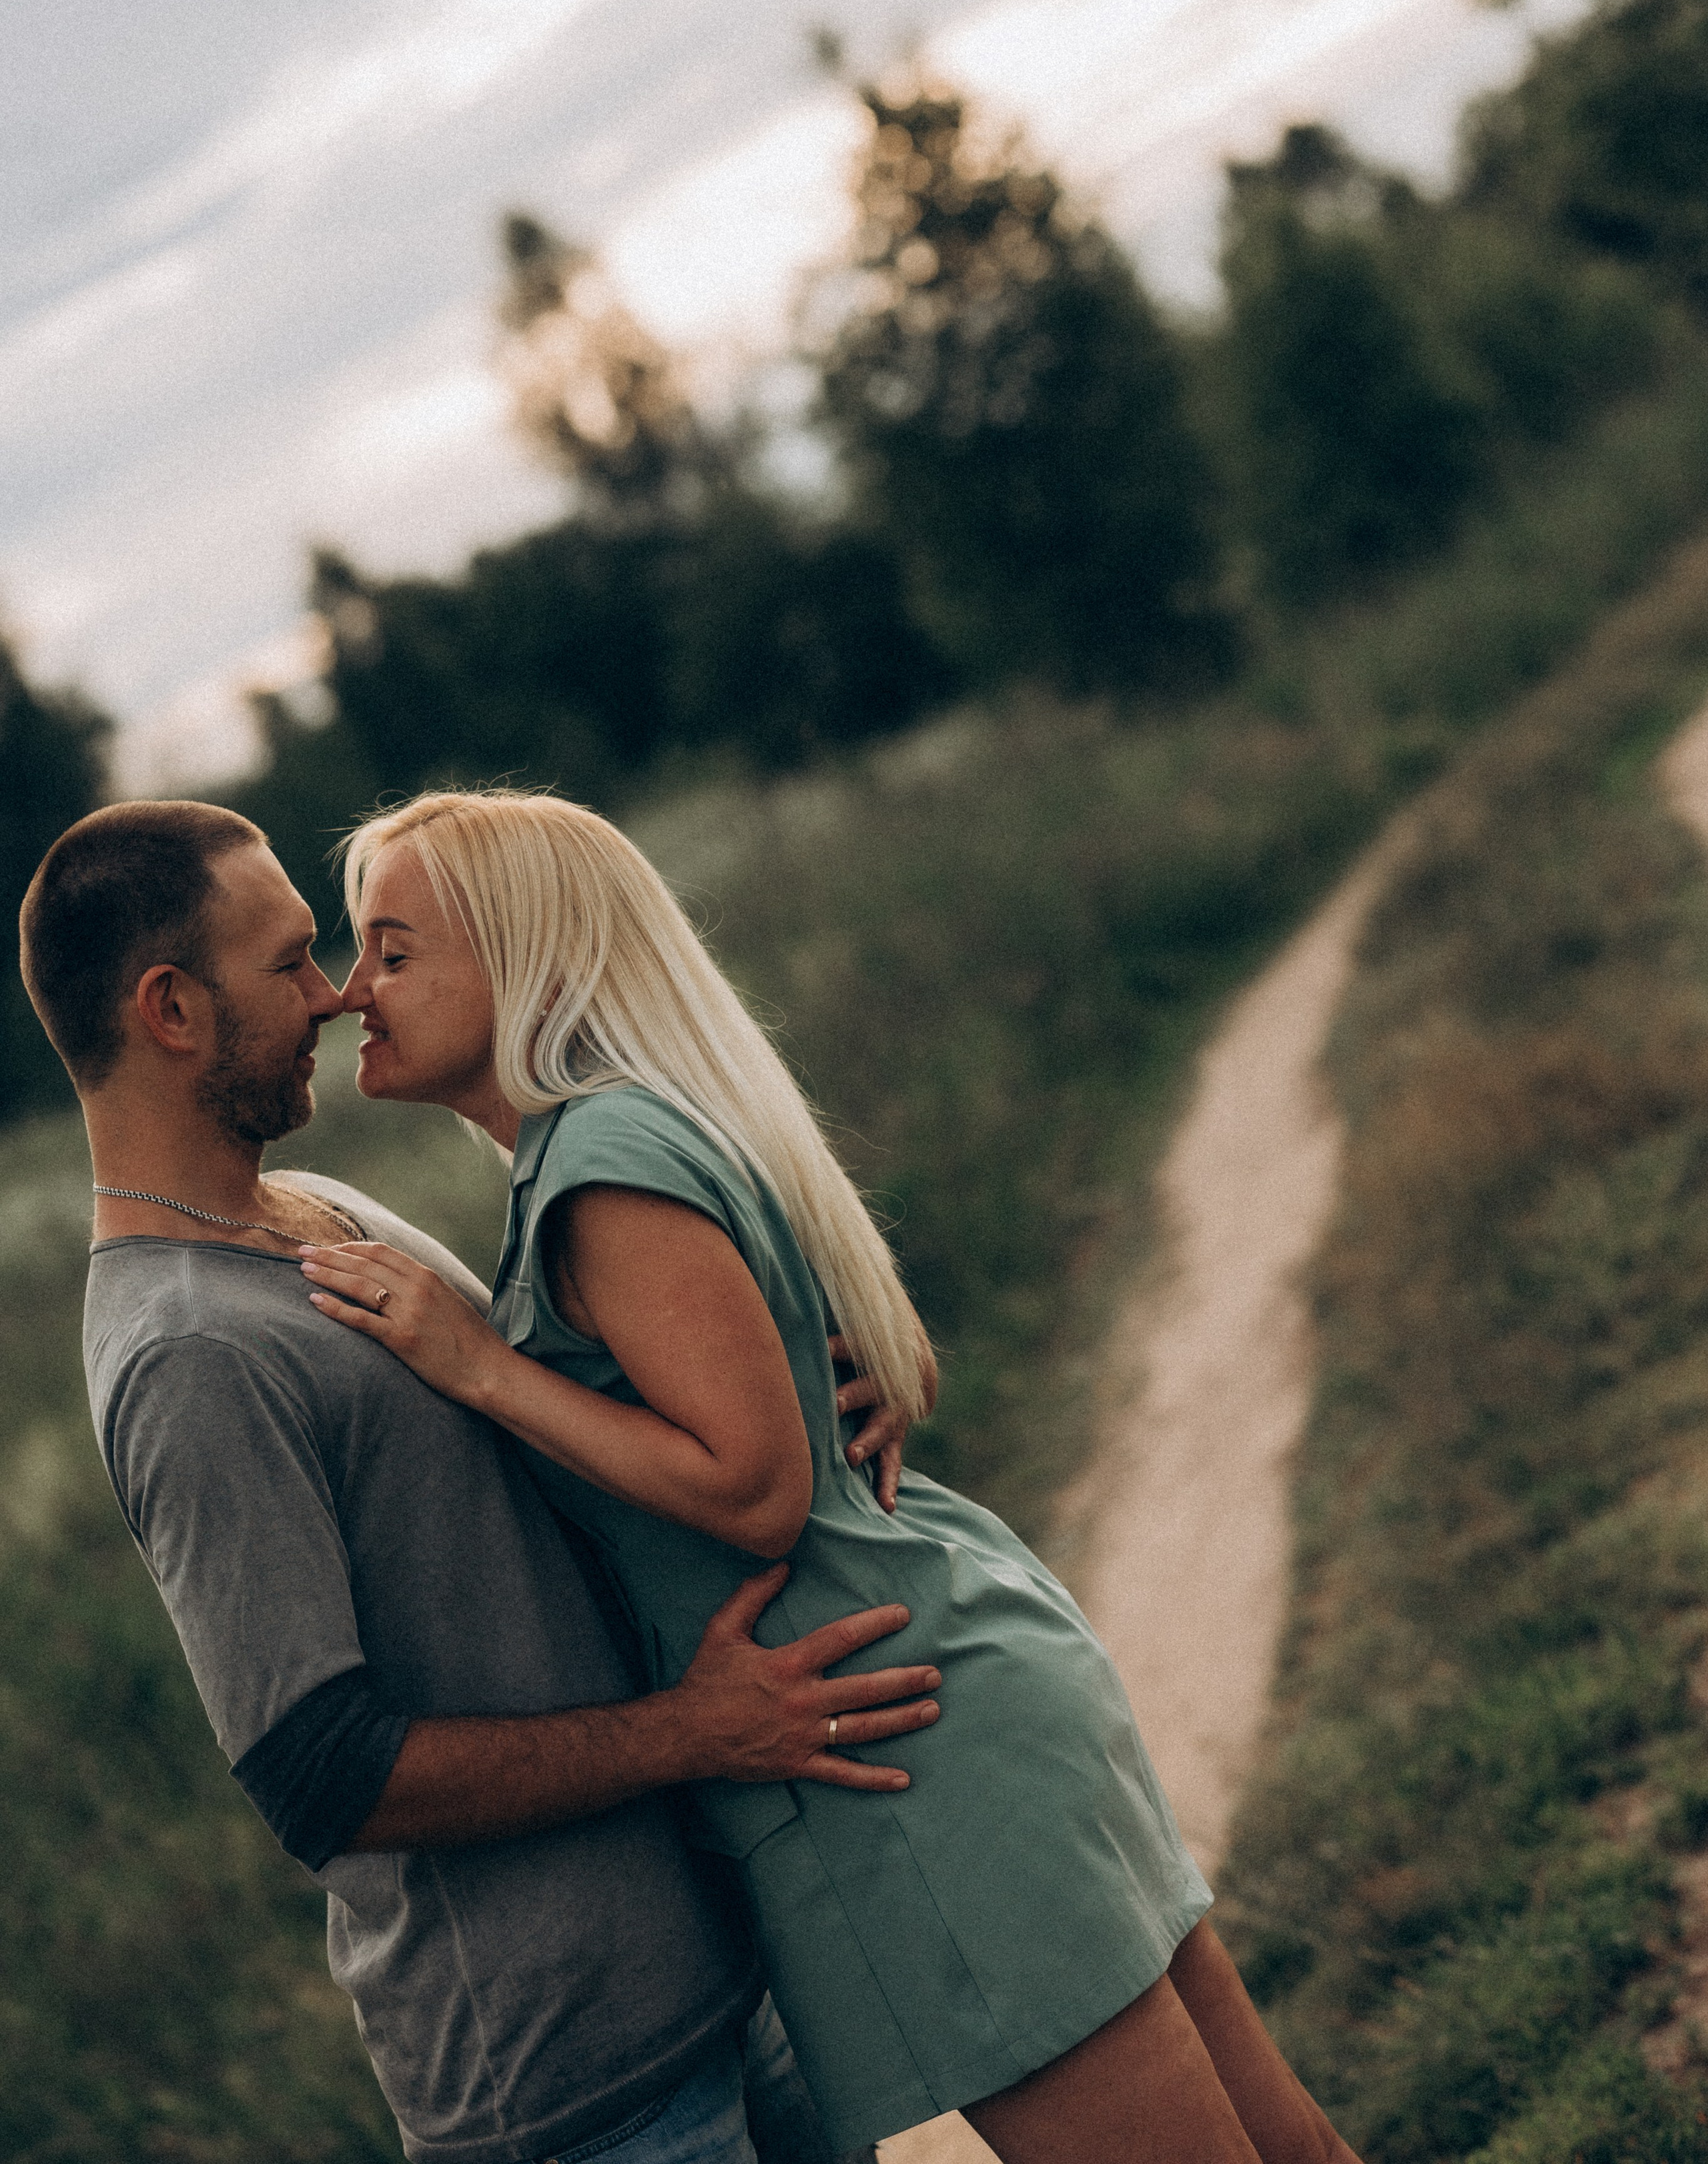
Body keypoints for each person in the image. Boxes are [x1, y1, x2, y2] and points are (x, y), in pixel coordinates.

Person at [297, 788, 1362, 2164]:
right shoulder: (633, 1129)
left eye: (390, 950)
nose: (344, 993)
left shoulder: (599, 1166)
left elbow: (754, 1492)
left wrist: (481, 1366)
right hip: (954, 1692)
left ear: (529, 964)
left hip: (908, 1757)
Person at [18, 800, 946, 2164]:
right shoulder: (185, 1354)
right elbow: (322, 1774)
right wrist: (694, 1732)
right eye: (287, 965)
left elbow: (545, 1455)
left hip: (708, 1984)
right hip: (567, 2086)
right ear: (169, 1008)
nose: (334, 994)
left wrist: (793, 1391)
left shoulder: (322, 1212)